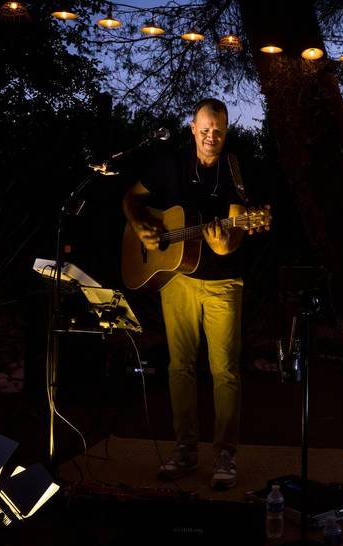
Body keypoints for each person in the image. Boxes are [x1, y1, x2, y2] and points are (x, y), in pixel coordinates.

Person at [122, 98, 247, 489]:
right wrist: (142, 225)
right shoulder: (170, 164)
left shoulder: (234, 170)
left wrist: (223, 243)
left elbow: (235, 236)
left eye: (219, 131)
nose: (212, 137)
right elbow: (132, 197)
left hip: (223, 282)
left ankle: (225, 454)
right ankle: (185, 450)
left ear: (227, 132)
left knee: (224, 370)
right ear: (192, 128)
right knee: (180, 367)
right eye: (205, 129)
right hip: (176, 278)